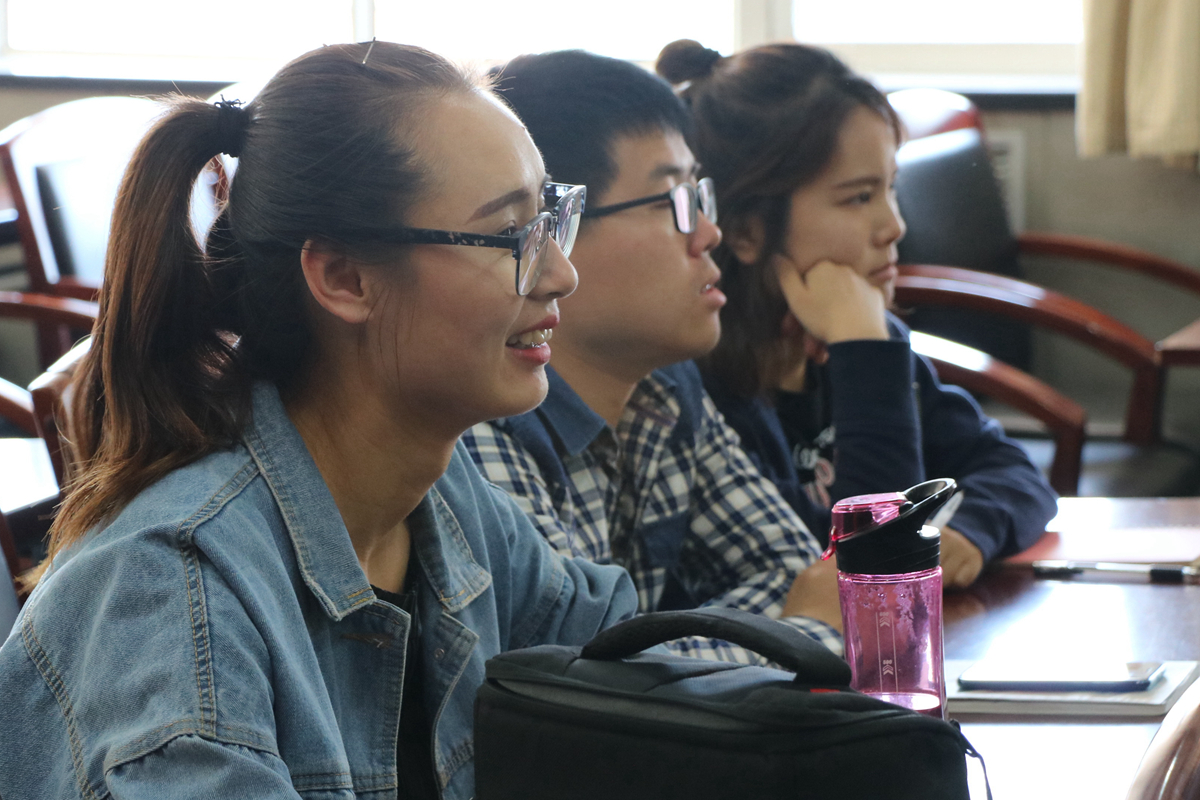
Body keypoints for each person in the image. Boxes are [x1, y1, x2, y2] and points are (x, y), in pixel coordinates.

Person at [0, 42, 640, 800]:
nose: (562, 273)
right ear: (344, 278)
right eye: (511, 236)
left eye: (550, 219)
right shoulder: (174, 596)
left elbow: (611, 661)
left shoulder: (441, 497)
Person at [464, 50, 843, 664]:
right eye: (673, 203)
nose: (710, 233)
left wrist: (658, 658)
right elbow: (573, 691)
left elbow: (795, 570)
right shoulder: (484, 422)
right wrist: (803, 634)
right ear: (554, 233)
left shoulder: (665, 385)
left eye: (700, 196)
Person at [654, 40, 1058, 588]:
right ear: (746, 230)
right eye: (859, 198)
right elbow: (866, 569)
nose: (895, 226)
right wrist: (865, 354)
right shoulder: (709, 391)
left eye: (891, 188)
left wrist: (968, 533)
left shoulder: (868, 336)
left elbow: (1013, 471)